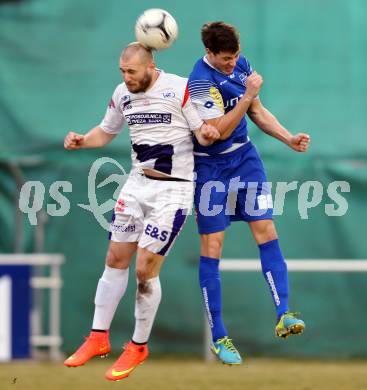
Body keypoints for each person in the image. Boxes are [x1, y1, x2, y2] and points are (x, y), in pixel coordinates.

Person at [63, 42, 220, 381]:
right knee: (115, 258)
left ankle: (138, 345)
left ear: (150, 66)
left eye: (131, 71)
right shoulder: (123, 93)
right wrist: (82, 140)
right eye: (122, 71)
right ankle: (97, 337)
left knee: (144, 270)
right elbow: (105, 132)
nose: (126, 77)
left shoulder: (179, 88)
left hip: (173, 189)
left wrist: (208, 132)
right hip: (136, 185)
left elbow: (203, 134)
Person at [188, 22, 310, 365]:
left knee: (267, 229)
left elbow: (256, 111)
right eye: (225, 59)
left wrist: (287, 137)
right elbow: (217, 132)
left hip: (245, 159)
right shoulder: (199, 82)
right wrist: (246, 95)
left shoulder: (241, 64)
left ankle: (284, 314)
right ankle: (219, 336)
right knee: (213, 246)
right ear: (210, 53)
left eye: (235, 57)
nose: (232, 63)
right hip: (210, 168)